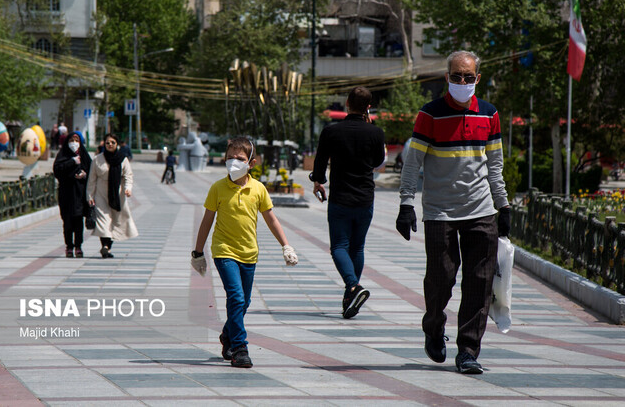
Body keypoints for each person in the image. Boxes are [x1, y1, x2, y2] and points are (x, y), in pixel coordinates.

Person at [395, 50, 510, 375]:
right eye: (456, 76)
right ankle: (433, 326)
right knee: (440, 279)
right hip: (440, 211)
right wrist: (406, 204)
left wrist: (503, 205)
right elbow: (413, 162)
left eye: (468, 77)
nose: (462, 82)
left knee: (479, 283)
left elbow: (495, 166)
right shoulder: (429, 114)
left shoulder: (489, 114)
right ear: (447, 77)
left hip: (481, 210)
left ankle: (468, 351)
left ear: (477, 78)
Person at [191, 137, 298, 368]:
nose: (233, 162)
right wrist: (197, 253)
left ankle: (228, 334)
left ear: (251, 163)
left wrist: (286, 245)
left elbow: (271, 219)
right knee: (236, 297)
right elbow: (207, 221)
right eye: (230, 158)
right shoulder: (218, 188)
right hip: (224, 251)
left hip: (249, 254)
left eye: (239, 159)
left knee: (244, 302)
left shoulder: (258, 189)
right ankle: (240, 348)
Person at [309, 86, 385, 319]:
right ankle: (350, 296)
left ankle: (353, 286)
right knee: (357, 247)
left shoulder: (331, 132)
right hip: (365, 198)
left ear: (347, 104)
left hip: (341, 197)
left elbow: (320, 163)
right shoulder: (376, 133)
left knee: (339, 246)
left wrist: (318, 182)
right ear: (368, 107)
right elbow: (378, 161)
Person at [87, 133, 138, 258]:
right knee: (103, 221)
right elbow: (91, 179)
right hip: (101, 193)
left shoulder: (123, 159)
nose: (110, 145)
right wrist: (90, 196)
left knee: (114, 221)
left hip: (117, 194)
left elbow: (128, 176)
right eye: (107, 142)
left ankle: (107, 248)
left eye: (113, 143)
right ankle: (105, 246)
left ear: (117, 144)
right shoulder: (97, 159)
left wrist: (128, 189)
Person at [53, 132, 92, 258]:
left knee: (78, 221)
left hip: (80, 194)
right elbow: (58, 170)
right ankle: (69, 246)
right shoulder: (63, 155)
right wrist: (72, 162)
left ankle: (78, 246)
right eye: (72, 140)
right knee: (68, 222)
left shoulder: (84, 155)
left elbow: (92, 171)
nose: (74, 143)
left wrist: (84, 175)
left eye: (77, 140)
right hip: (66, 194)